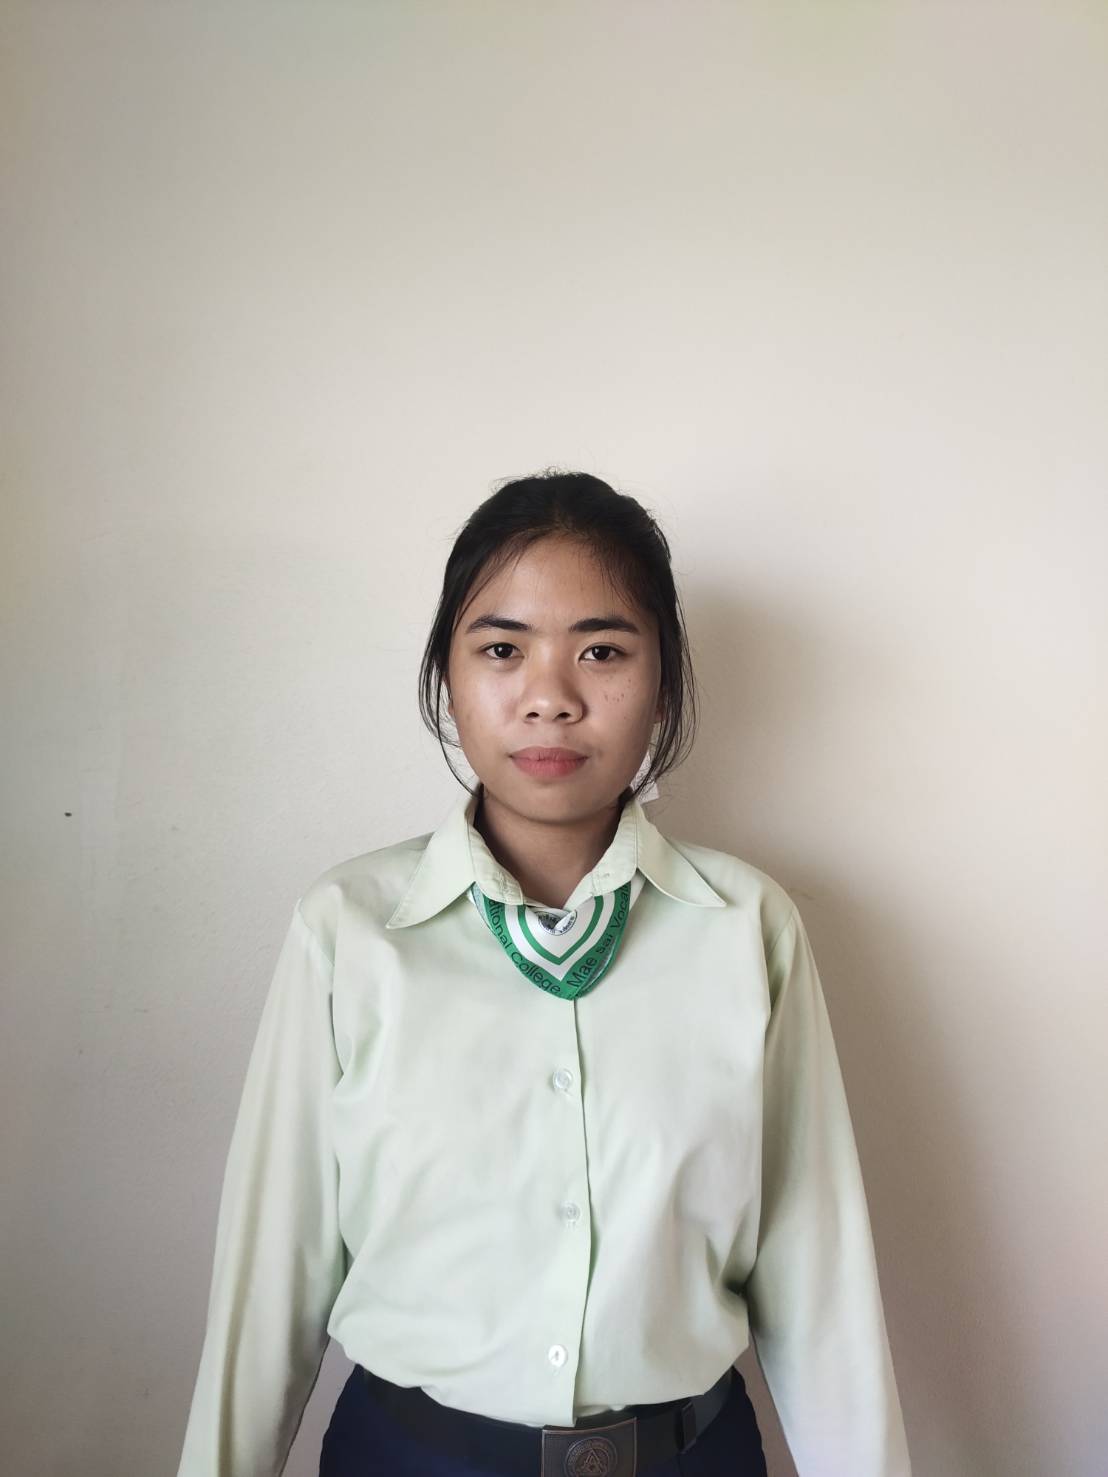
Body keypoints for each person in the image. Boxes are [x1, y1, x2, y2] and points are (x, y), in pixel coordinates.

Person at [175, 470, 912, 1477]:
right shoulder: (349, 931)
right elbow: (271, 1280)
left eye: (602, 650)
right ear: (446, 679)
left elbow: (817, 1278)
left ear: (663, 685)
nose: (551, 697)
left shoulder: (746, 929)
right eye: (502, 649)